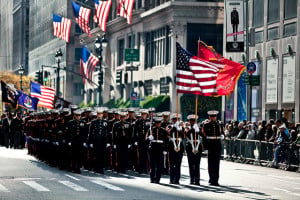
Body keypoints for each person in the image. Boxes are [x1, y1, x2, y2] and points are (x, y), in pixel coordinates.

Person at [202, 110, 223, 186]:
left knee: (217, 163)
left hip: (217, 145)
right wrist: (205, 148)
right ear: (209, 117)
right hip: (210, 145)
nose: (213, 118)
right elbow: (204, 137)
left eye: (215, 116)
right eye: (212, 116)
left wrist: (223, 135)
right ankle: (211, 178)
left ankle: (216, 180)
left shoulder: (219, 124)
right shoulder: (206, 125)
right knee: (211, 163)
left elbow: (222, 132)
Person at [147, 117, 168, 184]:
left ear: (161, 123)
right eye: (156, 123)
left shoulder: (164, 131)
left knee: (159, 165)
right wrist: (149, 138)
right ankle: (152, 178)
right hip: (153, 148)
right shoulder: (151, 130)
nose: (158, 124)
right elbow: (146, 139)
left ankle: (158, 179)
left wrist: (165, 150)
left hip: (160, 148)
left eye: (159, 123)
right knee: (152, 165)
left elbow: (166, 141)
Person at [66, 109, 87, 173]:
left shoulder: (83, 122)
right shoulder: (71, 122)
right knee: (73, 154)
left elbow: (85, 133)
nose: (78, 117)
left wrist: (85, 141)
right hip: (73, 140)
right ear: (74, 116)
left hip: (80, 141)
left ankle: (78, 168)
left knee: (79, 155)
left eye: (79, 115)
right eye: (77, 115)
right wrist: (69, 141)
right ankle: (73, 167)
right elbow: (68, 132)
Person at [89, 108, 108, 174]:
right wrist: (90, 142)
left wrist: (108, 142)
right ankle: (96, 168)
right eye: (98, 114)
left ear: (102, 115)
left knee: (102, 155)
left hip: (103, 141)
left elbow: (107, 132)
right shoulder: (94, 122)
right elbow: (91, 132)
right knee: (96, 155)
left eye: (101, 114)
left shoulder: (105, 122)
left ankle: (101, 168)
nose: (100, 115)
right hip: (96, 141)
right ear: (97, 114)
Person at [186, 114, 202, 186]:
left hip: (198, 147)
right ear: (189, 121)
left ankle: (197, 180)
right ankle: (192, 179)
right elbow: (186, 134)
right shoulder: (187, 128)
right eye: (191, 120)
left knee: (197, 164)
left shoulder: (199, 127)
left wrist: (198, 130)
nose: (192, 122)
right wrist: (192, 129)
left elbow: (203, 135)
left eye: (194, 120)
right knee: (191, 164)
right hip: (190, 147)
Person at [168, 114, 184, 185]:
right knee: (172, 164)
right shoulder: (170, 126)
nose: (175, 121)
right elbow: (168, 133)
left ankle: (177, 179)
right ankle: (172, 179)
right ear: (172, 120)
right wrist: (174, 127)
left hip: (180, 147)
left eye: (177, 119)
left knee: (178, 164)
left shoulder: (181, 128)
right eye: (174, 119)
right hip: (172, 147)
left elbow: (184, 136)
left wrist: (180, 129)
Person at [134, 109, 151, 174]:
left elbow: (151, 130)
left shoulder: (149, 121)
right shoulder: (138, 121)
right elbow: (135, 131)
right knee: (140, 155)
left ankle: (145, 168)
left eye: (145, 114)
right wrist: (135, 140)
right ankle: (140, 169)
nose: (143, 115)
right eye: (142, 114)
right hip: (140, 140)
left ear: (146, 115)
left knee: (146, 155)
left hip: (147, 140)